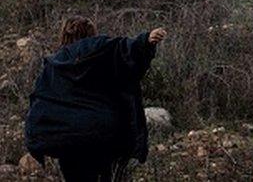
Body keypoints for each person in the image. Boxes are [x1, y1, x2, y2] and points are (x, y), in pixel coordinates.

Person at [25, 17, 167, 182]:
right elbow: (124, 50)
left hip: (66, 139)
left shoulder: (54, 64)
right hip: (102, 134)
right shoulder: (100, 48)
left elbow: (39, 100)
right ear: (90, 34)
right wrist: (146, 41)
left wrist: (40, 137)